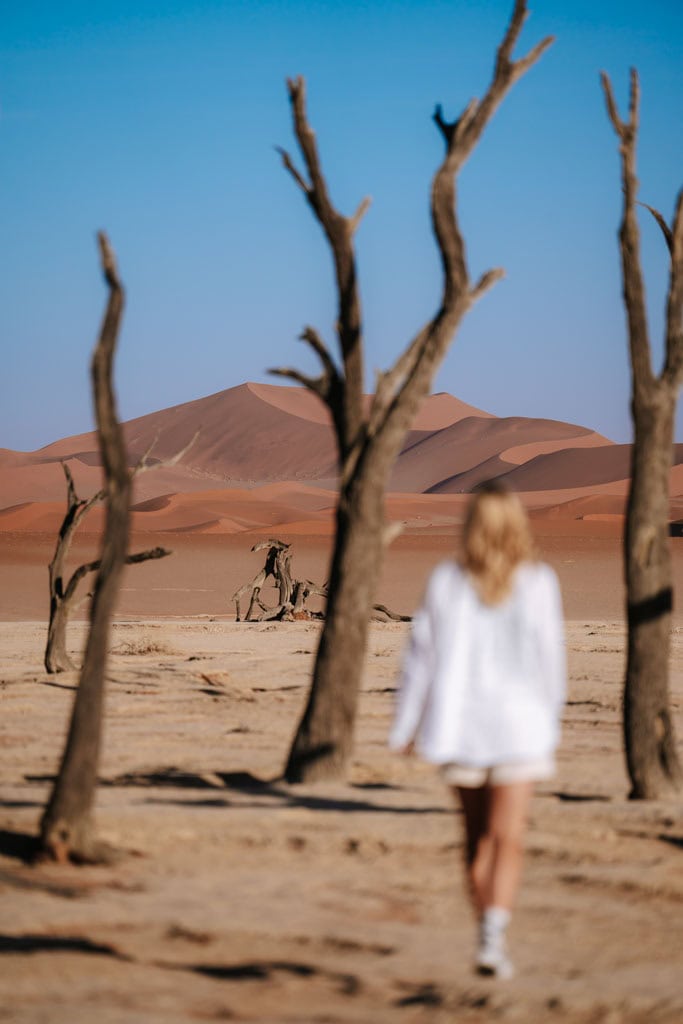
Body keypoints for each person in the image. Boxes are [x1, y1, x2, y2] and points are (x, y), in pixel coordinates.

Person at [389, 482, 565, 980]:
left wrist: (406, 725)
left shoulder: (447, 579)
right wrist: (551, 717)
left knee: (476, 838)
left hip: (461, 727)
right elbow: (552, 657)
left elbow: (419, 659)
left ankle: (487, 933)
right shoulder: (538, 580)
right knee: (508, 837)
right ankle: (494, 934)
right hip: (521, 727)